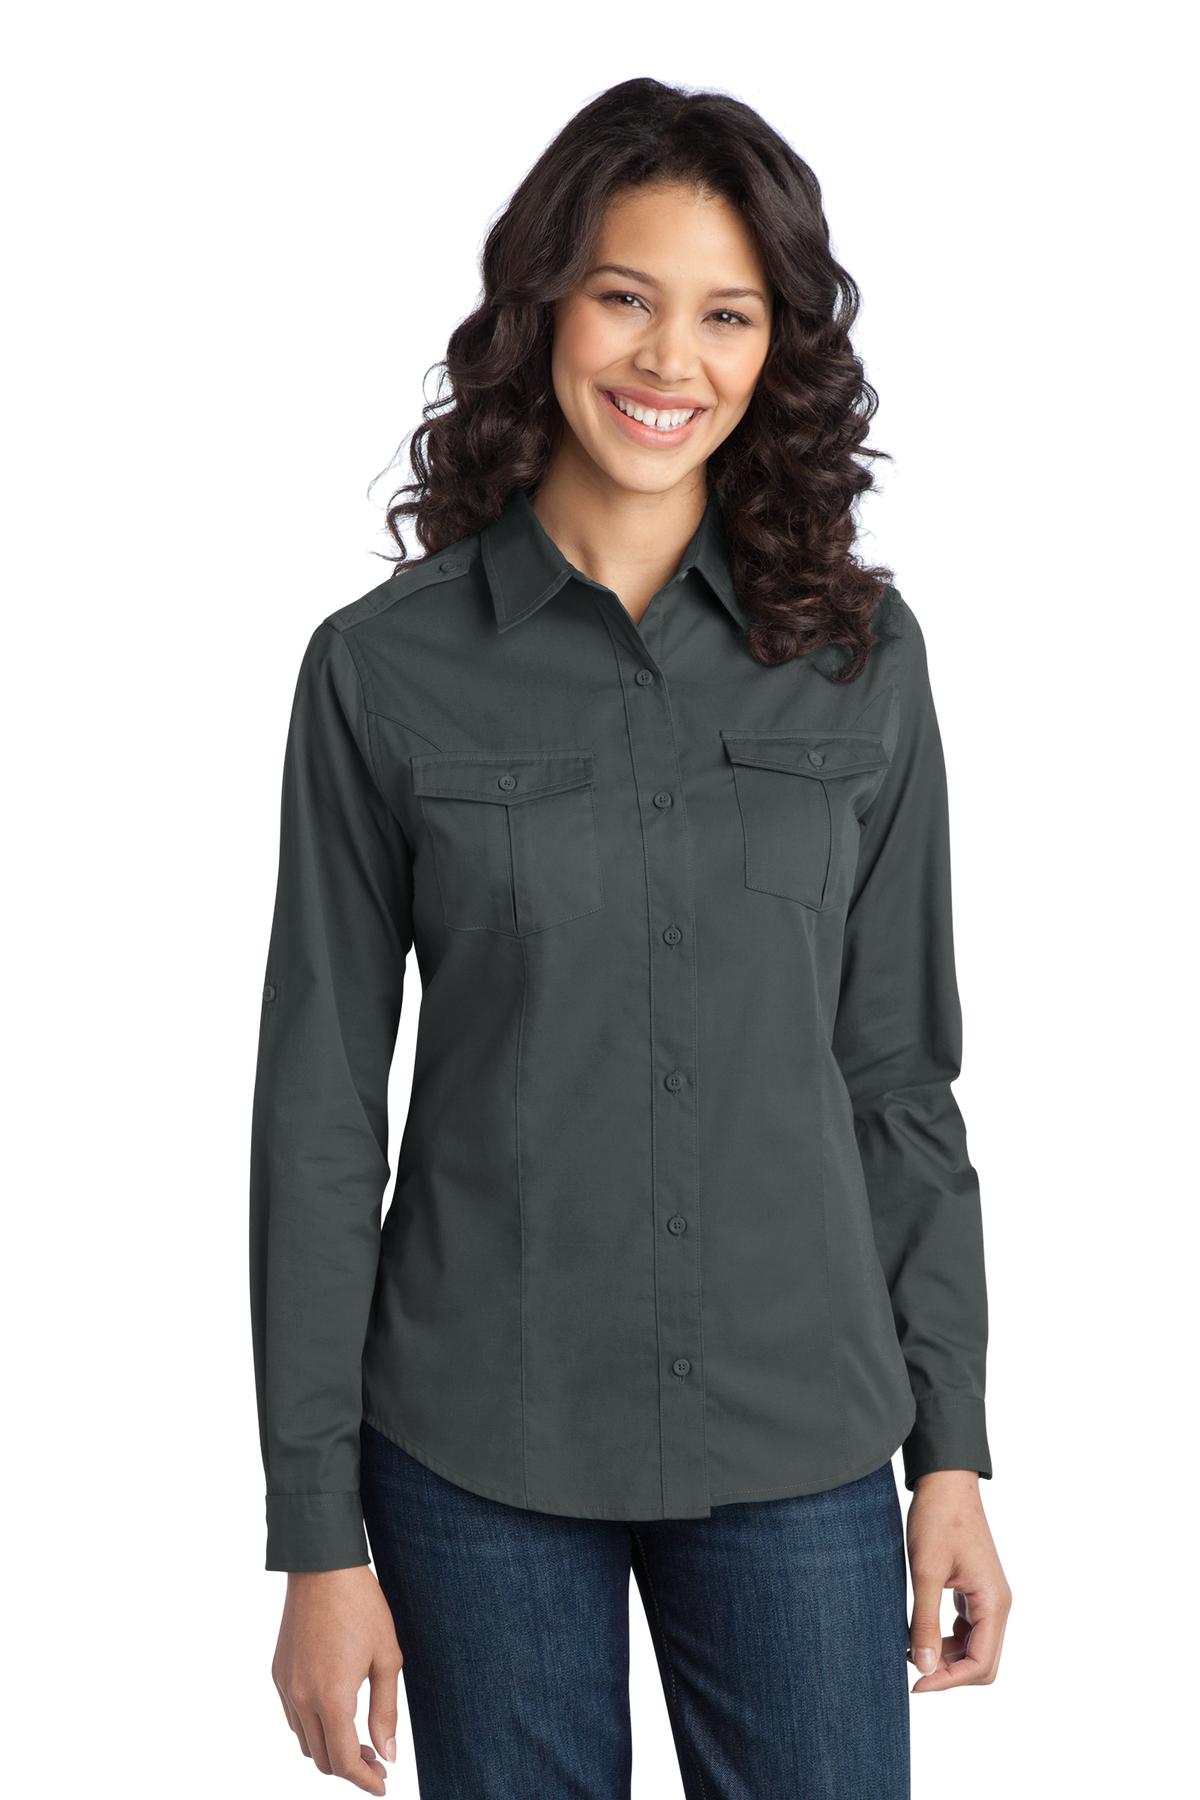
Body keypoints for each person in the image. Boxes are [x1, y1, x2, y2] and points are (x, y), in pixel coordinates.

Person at [249, 75, 1011, 1800]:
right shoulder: (380, 671)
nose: (672, 359)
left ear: (777, 347)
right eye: (625, 296)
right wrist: (315, 1535)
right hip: (477, 1444)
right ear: (544, 311)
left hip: (801, 1432)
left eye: (727, 313)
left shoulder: (864, 662)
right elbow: (317, 1115)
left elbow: (899, 1077)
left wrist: (952, 1452)